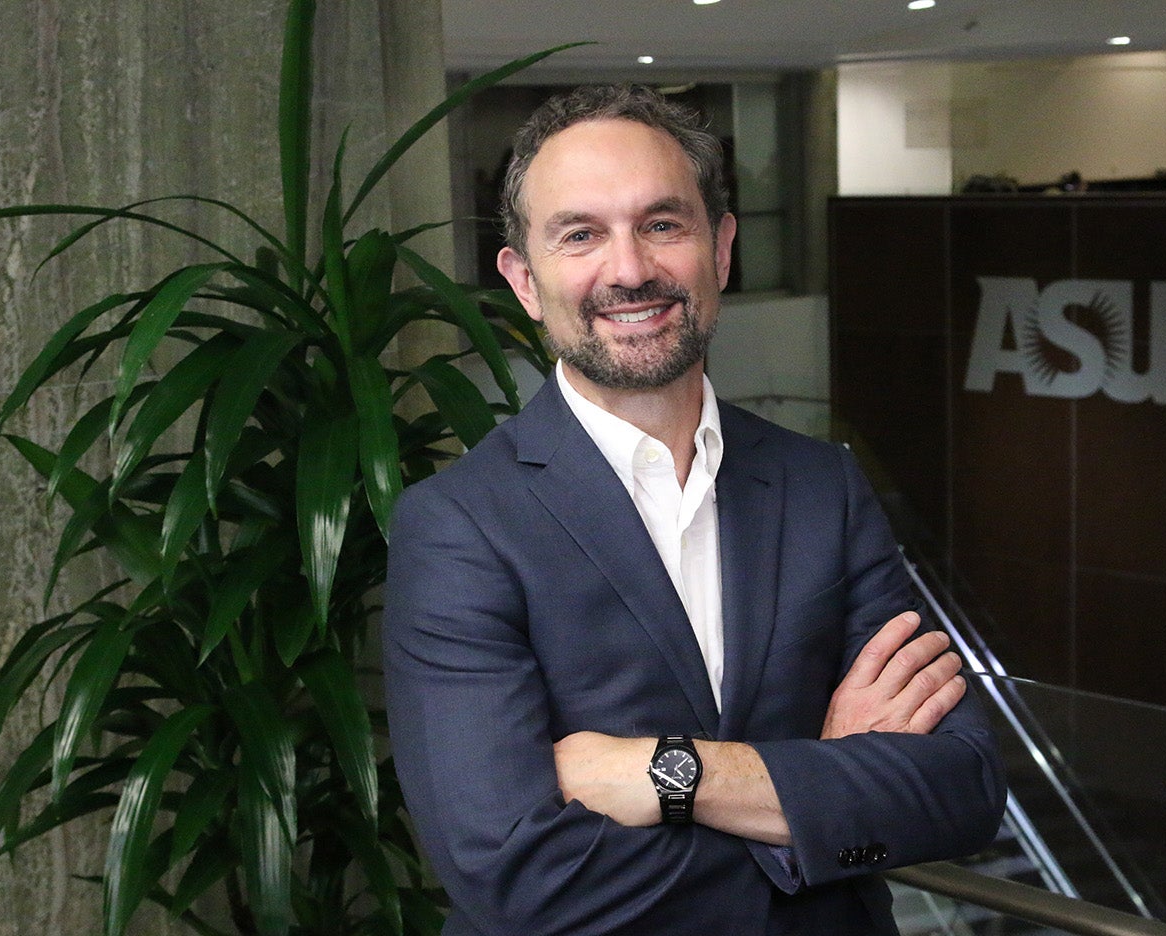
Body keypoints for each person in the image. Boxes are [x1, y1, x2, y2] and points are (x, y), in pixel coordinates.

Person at [382, 83, 1006, 935]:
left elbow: (959, 791)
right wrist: (815, 796)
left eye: (663, 224)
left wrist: (672, 774)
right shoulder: (457, 525)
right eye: (580, 235)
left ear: (721, 248)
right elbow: (517, 878)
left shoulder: (821, 487)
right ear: (525, 282)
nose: (630, 268)